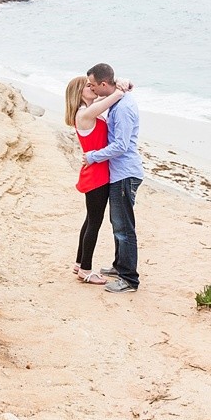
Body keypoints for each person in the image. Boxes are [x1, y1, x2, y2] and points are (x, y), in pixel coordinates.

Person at [82, 62, 144, 294]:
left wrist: (93, 156)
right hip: (118, 173)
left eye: (93, 85)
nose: (92, 88)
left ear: (104, 84)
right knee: (117, 224)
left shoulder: (124, 107)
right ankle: (120, 267)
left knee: (124, 227)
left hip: (126, 173)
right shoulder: (117, 99)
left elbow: (121, 145)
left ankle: (129, 280)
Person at [64, 75, 125, 284]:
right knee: (94, 223)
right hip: (97, 174)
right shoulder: (85, 114)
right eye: (87, 86)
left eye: (92, 85)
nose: (92, 88)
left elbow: (106, 97)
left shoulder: (88, 110)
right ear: (79, 92)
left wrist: (121, 83)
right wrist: (121, 89)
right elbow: (114, 96)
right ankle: (86, 270)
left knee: (90, 220)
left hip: (96, 171)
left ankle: (80, 263)